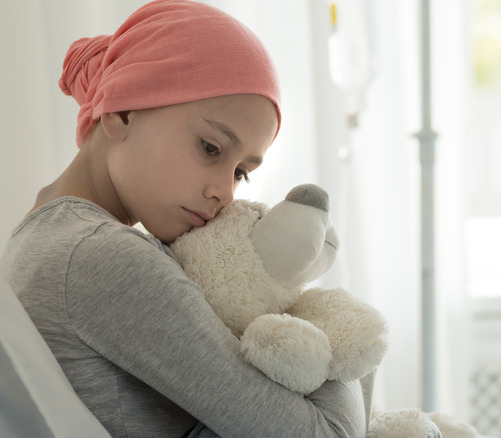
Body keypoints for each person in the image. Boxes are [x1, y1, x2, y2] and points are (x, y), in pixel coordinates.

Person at [0, 1, 374, 437]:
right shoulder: (104, 258)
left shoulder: (40, 238)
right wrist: (334, 327)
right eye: (211, 148)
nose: (225, 192)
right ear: (122, 111)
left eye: (241, 173)